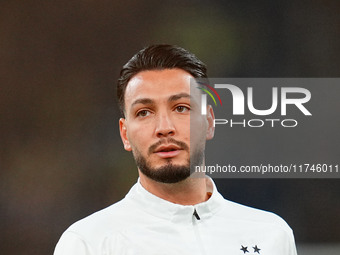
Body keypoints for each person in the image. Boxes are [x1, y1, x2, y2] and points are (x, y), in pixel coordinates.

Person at [54, 45, 297, 255]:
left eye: (181, 108)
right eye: (144, 112)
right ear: (125, 134)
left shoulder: (272, 234)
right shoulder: (88, 243)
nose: (164, 128)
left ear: (210, 122)